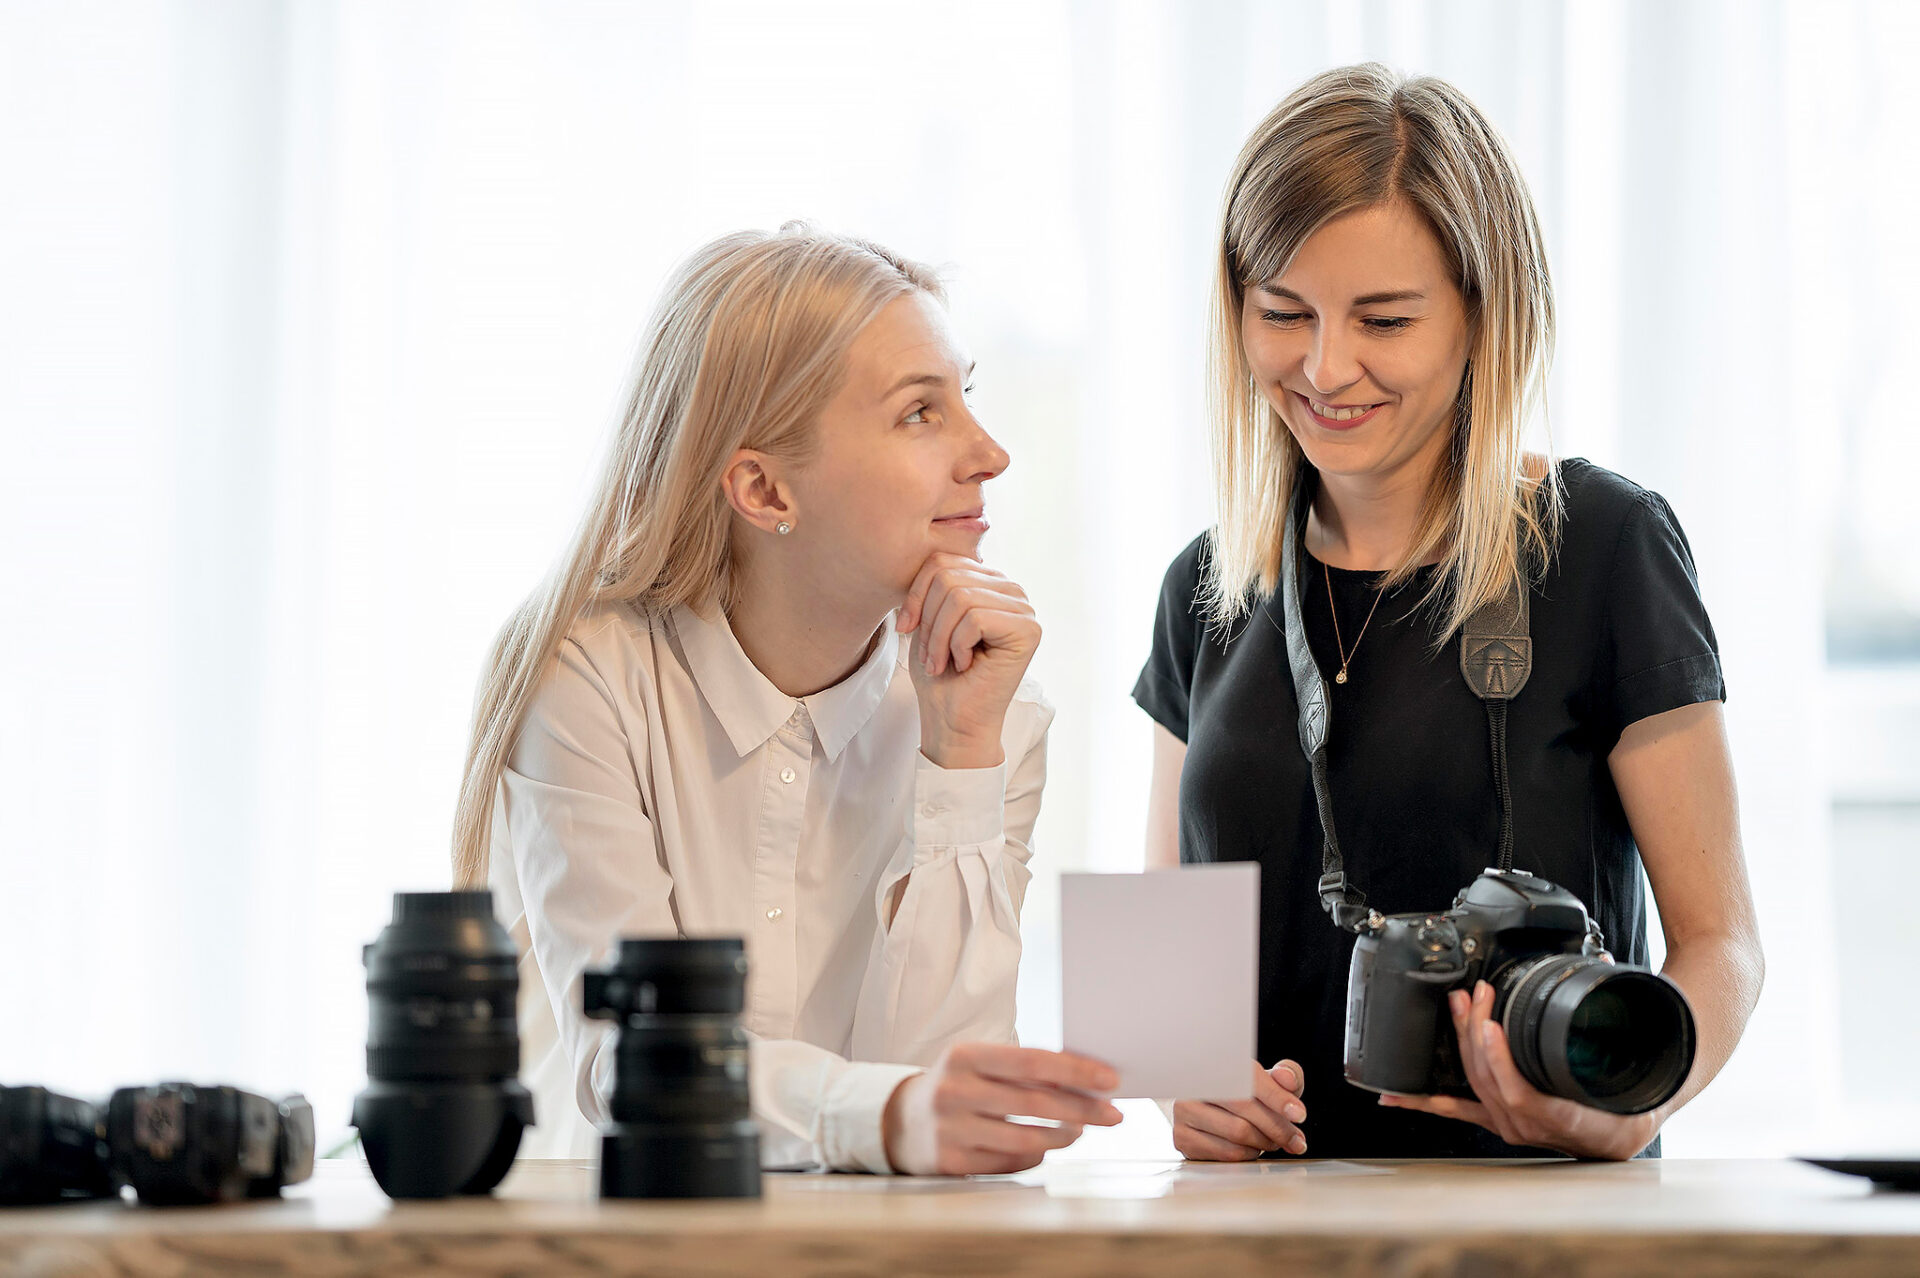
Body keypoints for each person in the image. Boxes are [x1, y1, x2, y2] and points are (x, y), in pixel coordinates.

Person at [1135, 65, 1764, 1160]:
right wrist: (1171, 1078)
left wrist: (1630, 1111)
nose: (1327, 367)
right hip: (1256, 1224)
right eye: (1284, 313)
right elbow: (1159, 965)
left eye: (1384, 318)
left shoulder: (1605, 544)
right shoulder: (1208, 583)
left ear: (1486, 309)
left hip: (1542, 1216)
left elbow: (1724, 945)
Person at [451, 224, 1121, 1174]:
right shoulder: (587, 678)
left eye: (963, 396)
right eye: (920, 414)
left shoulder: (992, 705)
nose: (990, 453)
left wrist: (960, 750)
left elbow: (944, 1102)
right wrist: (888, 1116)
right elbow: (630, 1062)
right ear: (763, 489)